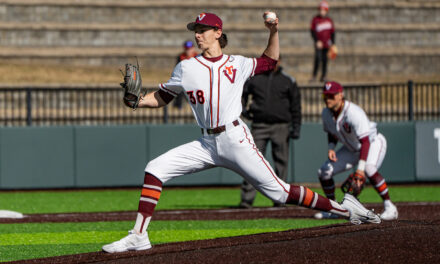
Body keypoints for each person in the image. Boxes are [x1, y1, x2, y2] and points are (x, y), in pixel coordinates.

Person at [102, 12, 380, 254]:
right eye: (195, 31)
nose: (197, 35)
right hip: (206, 143)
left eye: (202, 30)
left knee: (280, 194)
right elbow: (162, 97)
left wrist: (274, 31)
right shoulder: (186, 67)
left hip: (235, 139)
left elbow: (270, 62)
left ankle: (346, 209)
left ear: (217, 33)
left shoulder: (238, 63)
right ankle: (139, 236)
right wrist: (137, 101)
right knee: (155, 168)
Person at [315, 81, 398, 221]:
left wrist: (360, 169)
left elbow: (365, 141)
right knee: (324, 172)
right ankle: (334, 209)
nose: (328, 99)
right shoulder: (326, 113)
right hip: (352, 148)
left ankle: (390, 206)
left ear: (340, 95)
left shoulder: (353, 112)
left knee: (369, 168)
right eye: (325, 96)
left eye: (331, 96)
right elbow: (331, 132)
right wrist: (331, 148)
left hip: (372, 142)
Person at [239, 56, 301, 208]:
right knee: (250, 162)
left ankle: (281, 199)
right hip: (259, 125)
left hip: (281, 126)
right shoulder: (255, 78)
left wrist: (296, 127)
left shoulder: (288, 80)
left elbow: (296, 106)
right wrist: (244, 111)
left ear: (279, 62)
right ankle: (247, 200)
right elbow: (242, 94)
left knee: (281, 163)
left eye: (276, 60)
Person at [310, 1, 335, 82]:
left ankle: (323, 76)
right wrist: (317, 41)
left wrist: (333, 44)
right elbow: (312, 31)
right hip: (319, 44)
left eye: (324, 10)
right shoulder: (315, 19)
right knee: (317, 59)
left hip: (327, 44)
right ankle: (314, 76)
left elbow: (332, 33)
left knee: (325, 60)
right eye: (321, 10)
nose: (322, 12)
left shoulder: (329, 20)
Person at [173, 41, 199, 109]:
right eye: (187, 49)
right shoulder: (181, 57)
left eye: (190, 49)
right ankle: (178, 106)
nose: (188, 51)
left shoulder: (198, 57)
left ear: (193, 48)